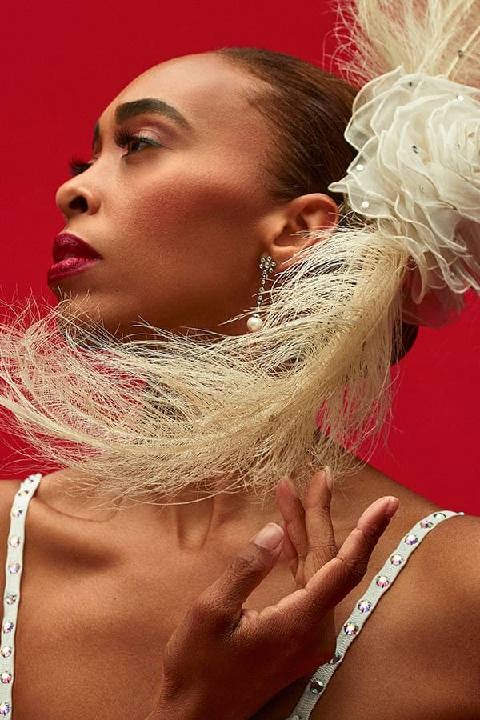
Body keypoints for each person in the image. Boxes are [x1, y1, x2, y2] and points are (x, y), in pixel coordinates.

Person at [0, 0, 479, 717]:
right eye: (86, 159)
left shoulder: (461, 594)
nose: (72, 189)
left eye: (139, 144)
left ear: (300, 229)